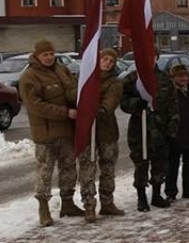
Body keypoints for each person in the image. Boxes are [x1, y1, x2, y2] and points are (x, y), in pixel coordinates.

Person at [20, 39, 79, 226]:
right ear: (37, 56)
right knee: (45, 171)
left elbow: (73, 90)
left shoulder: (62, 70)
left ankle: (68, 203)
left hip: (66, 132)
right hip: (46, 134)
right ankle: (44, 209)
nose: (49, 58)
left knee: (69, 168)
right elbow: (35, 106)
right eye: (45, 55)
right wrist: (65, 113)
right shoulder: (29, 76)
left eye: (51, 54)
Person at [76, 48, 125, 222]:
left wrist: (98, 109)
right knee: (87, 169)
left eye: (111, 61)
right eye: (105, 59)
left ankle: (107, 203)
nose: (107, 63)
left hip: (107, 131)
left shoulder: (115, 82)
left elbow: (111, 101)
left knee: (108, 168)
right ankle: (89, 205)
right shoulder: (85, 79)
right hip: (87, 131)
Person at [121, 59, 171, 211]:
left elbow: (172, 103)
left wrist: (172, 127)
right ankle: (141, 198)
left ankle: (156, 195)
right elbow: (123, 102)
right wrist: (136, 103)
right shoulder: (131, 79)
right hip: (139, 129)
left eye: (153, 56)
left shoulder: (164, 78)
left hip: (160, 128)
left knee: (159, 164)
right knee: (141, 164)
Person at [162, 63, 189, 200]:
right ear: (173, 77)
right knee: (173, 165)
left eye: (185, 75)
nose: (183, 78)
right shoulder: (170, 92)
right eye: (180, 76)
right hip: (175, 132)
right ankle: (171, 192)